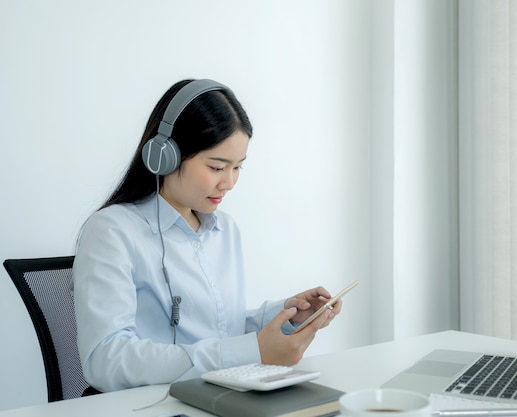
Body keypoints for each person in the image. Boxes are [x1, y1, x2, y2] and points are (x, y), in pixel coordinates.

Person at [72, 78, 341, 393]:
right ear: (165, 155)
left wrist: (288, 315)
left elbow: (221, 333)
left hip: (220, 398)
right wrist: (253, 351)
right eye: (216, 167)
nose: (229, 182)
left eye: (238, 167)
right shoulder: (113, 231)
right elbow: (105, 359)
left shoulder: (224, 230)